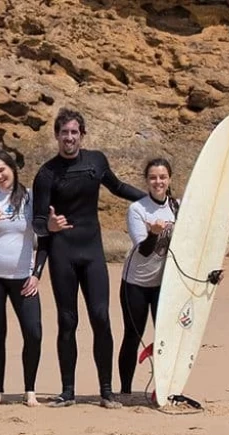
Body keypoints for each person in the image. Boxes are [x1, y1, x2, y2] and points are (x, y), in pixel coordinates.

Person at [32, 107, 146, 408]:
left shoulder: (96, 161)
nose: (69, 137)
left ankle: (106, 391)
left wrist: (151, 199)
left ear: (82, 135)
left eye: (74, 132)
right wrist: (49, 226)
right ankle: (67, 391)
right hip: (62, 253)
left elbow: (118, 187)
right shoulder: (46, 174)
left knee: (101, 318)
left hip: (92, 251)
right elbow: (37, 221)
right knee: (67, 321)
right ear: (57, 135)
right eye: (64, 132)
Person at [0, 149, 48, 407]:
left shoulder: (31, 199)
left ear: (13, 168)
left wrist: (36, 274)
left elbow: (45, 240)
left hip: (23, 277)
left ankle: (30, 390)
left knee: (33, 332)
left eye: (2, 169)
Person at [119, 158, 179, 395]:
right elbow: (143, 250)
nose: (158, 182)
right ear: (146, 181)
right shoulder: (138, 209)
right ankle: (125, 391)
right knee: (133, 335)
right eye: (153, 177)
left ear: (169, 179)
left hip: (162, 284)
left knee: (165, 336)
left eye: (162, 177)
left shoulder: (177, 207)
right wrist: (154, 233)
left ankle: (165, 389)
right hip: (135, 283)